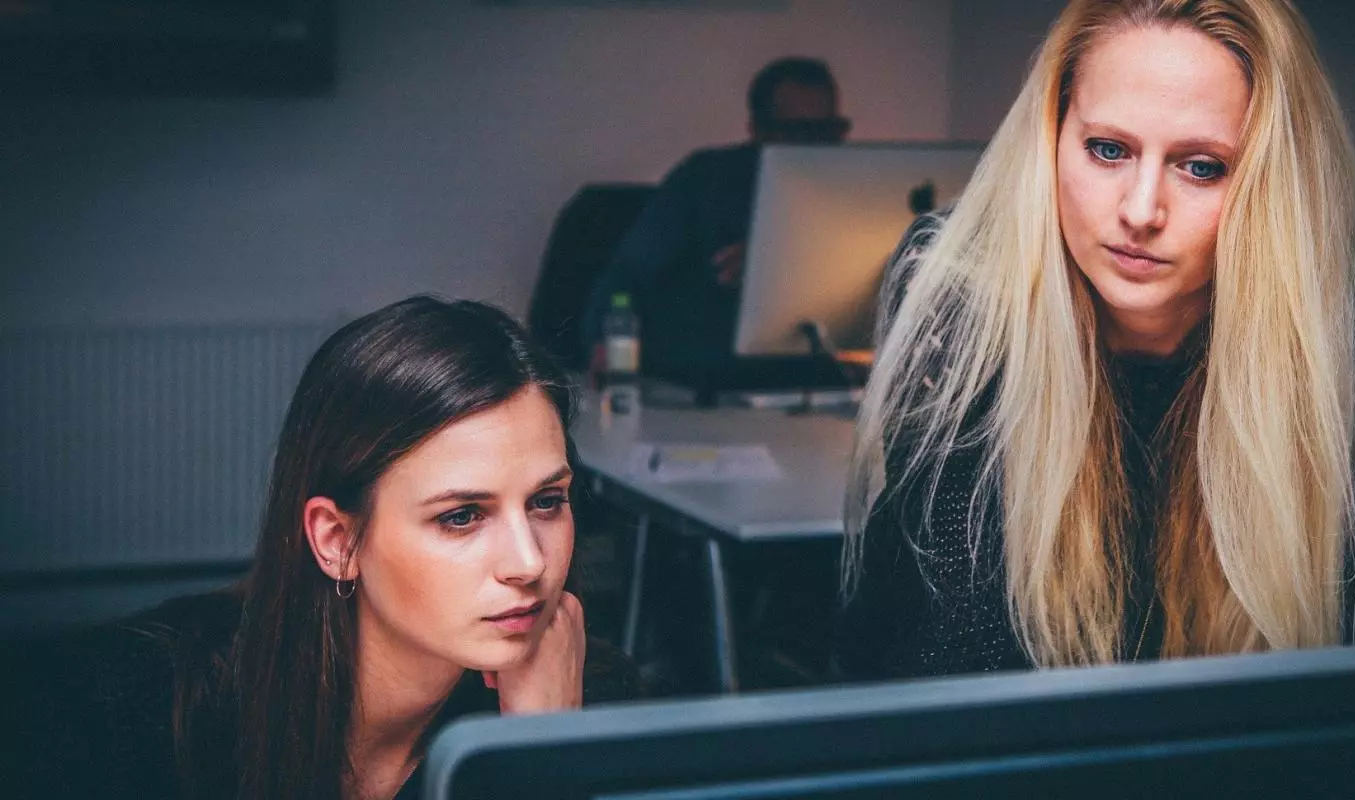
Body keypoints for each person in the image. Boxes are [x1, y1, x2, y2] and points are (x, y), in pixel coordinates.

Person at [837, 0, 1355, 681]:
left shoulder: (1333, 306)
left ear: (1269, 184)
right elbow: (956, 656)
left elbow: (1330, 653)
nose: (1140, 212)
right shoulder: (961, 292)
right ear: (1050, 137)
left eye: (1201, 167)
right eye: (1108, 150)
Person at [17, 298, 639, 799]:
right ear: (338, 541)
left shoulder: (581, 699)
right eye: (460, 516)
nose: (529, 562)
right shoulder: (131, 709)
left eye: (547, 501)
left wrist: (539, 753)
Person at [582, 56, 850, 382]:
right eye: (798, 131)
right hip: (709, 375)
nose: (816, 146)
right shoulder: (706, 180)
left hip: (815, 376)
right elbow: (627, 273)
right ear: (757, 131)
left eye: (829, 131)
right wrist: (606, 343)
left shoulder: (849, 196)